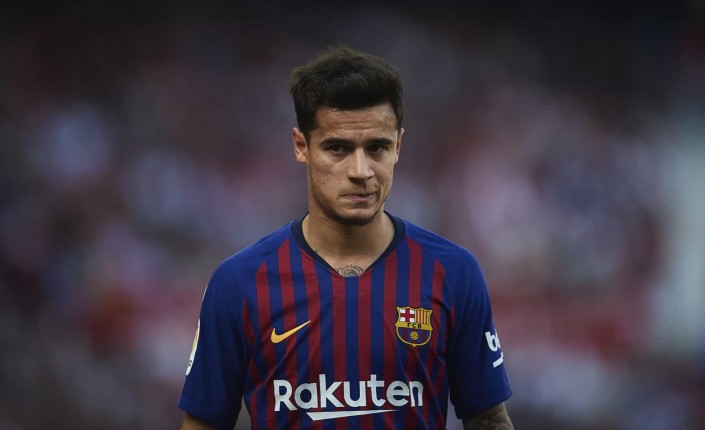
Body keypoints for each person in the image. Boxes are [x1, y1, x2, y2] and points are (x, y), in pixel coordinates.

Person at [178, 46, 513, 430]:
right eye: (338, 148)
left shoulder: (453, 272)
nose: (361, 170)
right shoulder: (239, 282)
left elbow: (488, 418)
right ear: (301, 146)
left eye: (377, 148)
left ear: (398, 146)